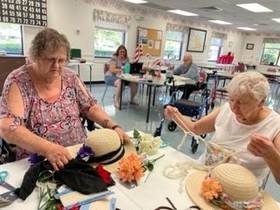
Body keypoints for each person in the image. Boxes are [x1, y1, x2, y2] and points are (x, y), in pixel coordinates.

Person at [0, 28, 129, 170]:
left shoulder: (70, 77)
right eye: (50, 59)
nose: (56, 66)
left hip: (78, 154)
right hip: (39, 161)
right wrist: (47, 148)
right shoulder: (18, 80)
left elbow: (91, 107)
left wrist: (114, 126)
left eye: (61, 60)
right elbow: (8, 128)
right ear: (35, 57)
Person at [165, 71, 280, 186]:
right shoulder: (226, 110)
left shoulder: (275, 125)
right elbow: (195, 129)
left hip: (240, 191)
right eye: (231, 99)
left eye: (241, 102)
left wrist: (270, 155)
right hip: (205, 176)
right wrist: (176, 116)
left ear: (261, 101)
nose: (234, 107)